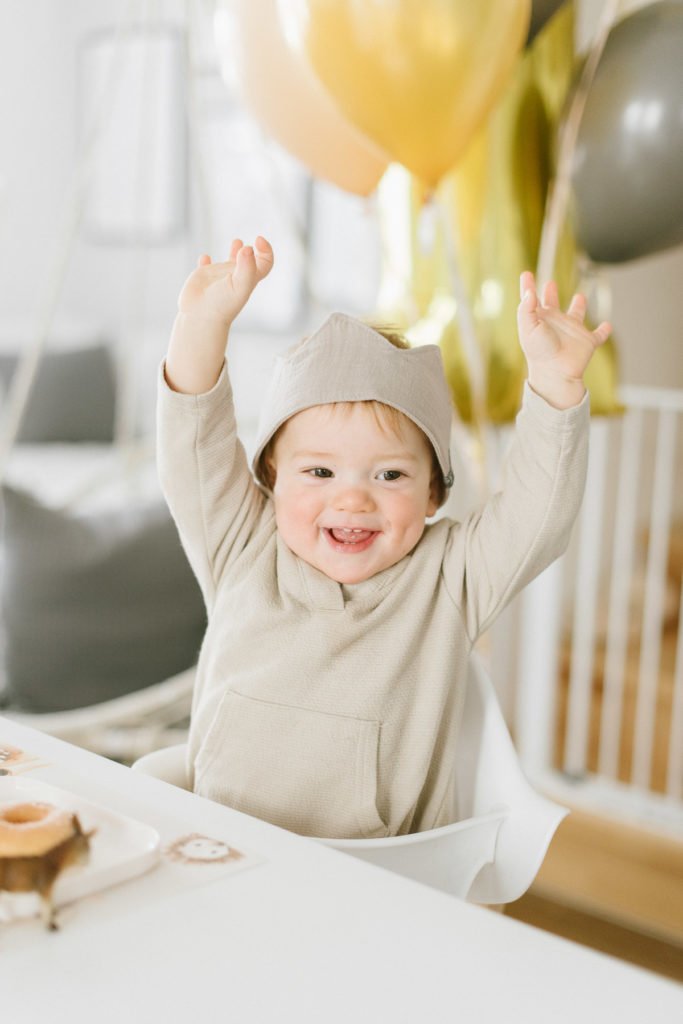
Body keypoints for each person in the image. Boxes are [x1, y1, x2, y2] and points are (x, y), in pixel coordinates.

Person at [157, 235, 610, 840]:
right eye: (319, 471)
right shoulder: (241, 542)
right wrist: (201, 325)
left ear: (433, 493)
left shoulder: (449, 575)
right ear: (271, 476)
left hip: (375, 879)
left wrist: (555, 388)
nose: (353, 499)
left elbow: (538, 514)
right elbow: (193, 445)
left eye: (390, 474)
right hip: (217, 848)